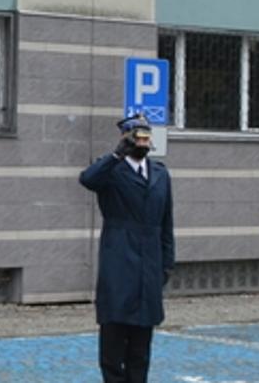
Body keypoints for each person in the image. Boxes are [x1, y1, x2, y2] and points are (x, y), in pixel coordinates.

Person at [80, 117, 176, 383]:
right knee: (113, 342)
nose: (143, 143)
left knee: (141, 347)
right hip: (119, 261)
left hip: (149, 265)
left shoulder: (160, 173)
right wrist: (116, 154)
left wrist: (167, 263)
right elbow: (87, 179)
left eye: (147, 138)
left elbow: (167, 223)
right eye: (138, 138)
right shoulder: (111, 171)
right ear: (126, 138)